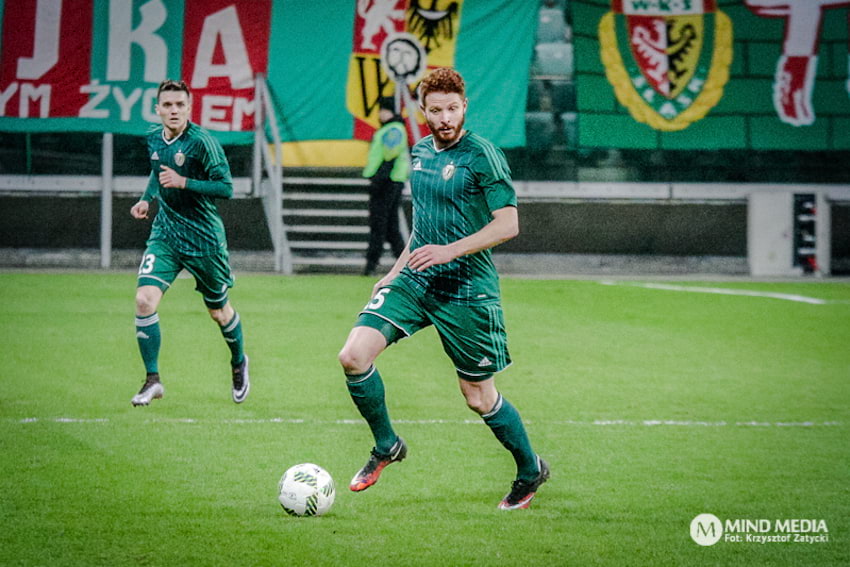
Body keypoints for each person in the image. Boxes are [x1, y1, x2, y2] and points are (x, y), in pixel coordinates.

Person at [338, 67, 549, 510]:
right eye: (436, 110)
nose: (445, 117)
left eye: (453, 108)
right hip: (416, 279)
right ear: (423, 111)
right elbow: (422, 229)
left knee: (477, 395)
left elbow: (508, 224)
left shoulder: (482, 155)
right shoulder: (419, 152)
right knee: (353, 356)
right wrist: (395, 272)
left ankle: (530, 469)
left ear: (464, 106)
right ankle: (386, 445)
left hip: (467, 289)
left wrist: (450, 251)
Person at [129, 79, 249, 406]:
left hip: (204, 240)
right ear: (157, 109)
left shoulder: (202, 143)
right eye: (167, 105)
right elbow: (158, 171)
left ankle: (238, 361)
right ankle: (152, 379)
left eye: (180, 105)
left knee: (219, 312)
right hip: (166, 233)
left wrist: (184, 182)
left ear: (189, 107)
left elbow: (226, 188)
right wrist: (146, 199)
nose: (173, 111)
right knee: (144, 300)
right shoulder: (153, 137)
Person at [362, 97, 410, 276]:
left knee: (379, 224)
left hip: (387, 182)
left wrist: (378, 180)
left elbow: (389, 157)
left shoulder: (393, 130)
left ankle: (371, 264)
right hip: (388, 181)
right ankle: (406, 266)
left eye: (381, 110)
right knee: (390, 227)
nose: (379, 114)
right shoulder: (392, 129)